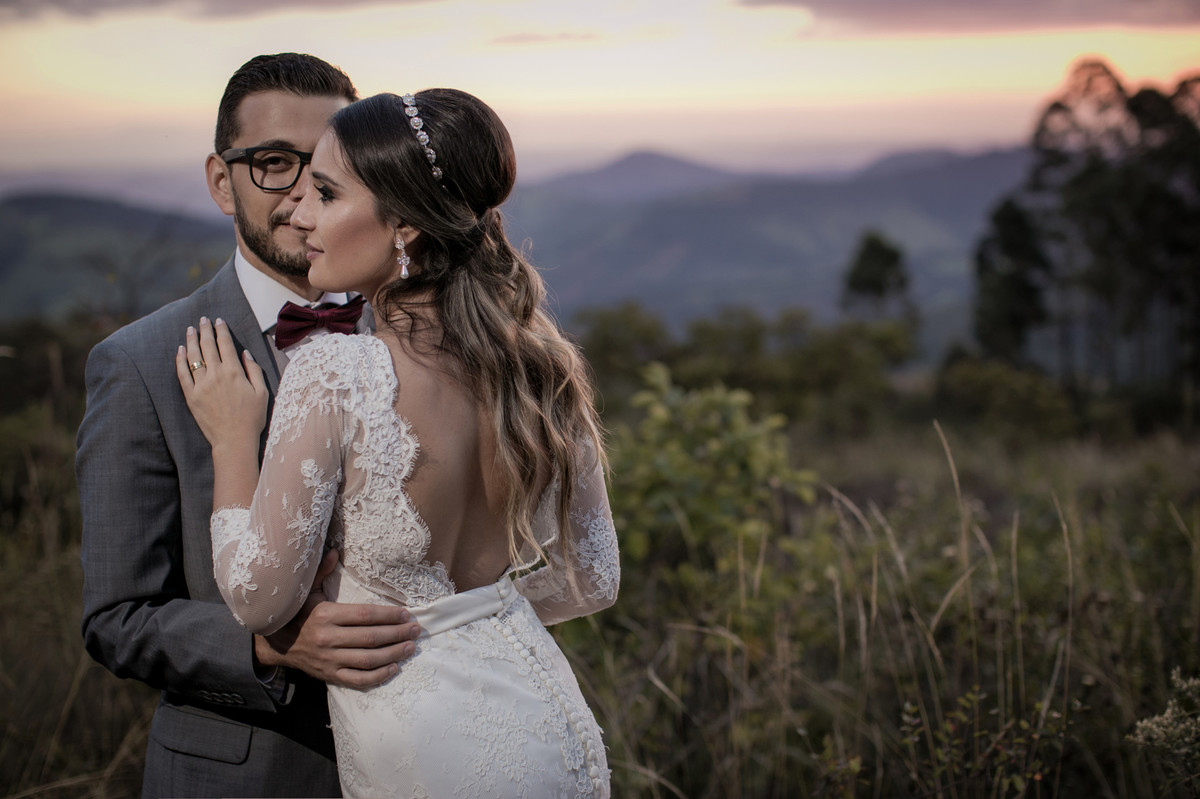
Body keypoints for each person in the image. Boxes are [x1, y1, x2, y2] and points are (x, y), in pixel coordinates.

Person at [175, 89, 620, 797]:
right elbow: (590, 578)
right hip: (545, 716)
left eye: (326, 193)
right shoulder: (541, 365)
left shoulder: (338, 371)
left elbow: (259, 599)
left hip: (428, 747)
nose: (300, 213)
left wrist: (232, 441)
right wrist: (469, 612)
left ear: (405, 226)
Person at [77, 54, 422, 799]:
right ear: (220, 182)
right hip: (248, 774)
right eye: (273, 163)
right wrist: (268, 646)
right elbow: (117, 617)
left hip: (423, 755)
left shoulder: (420, 341)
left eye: (326, 167)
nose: (303, 190)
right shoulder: (139, 363)